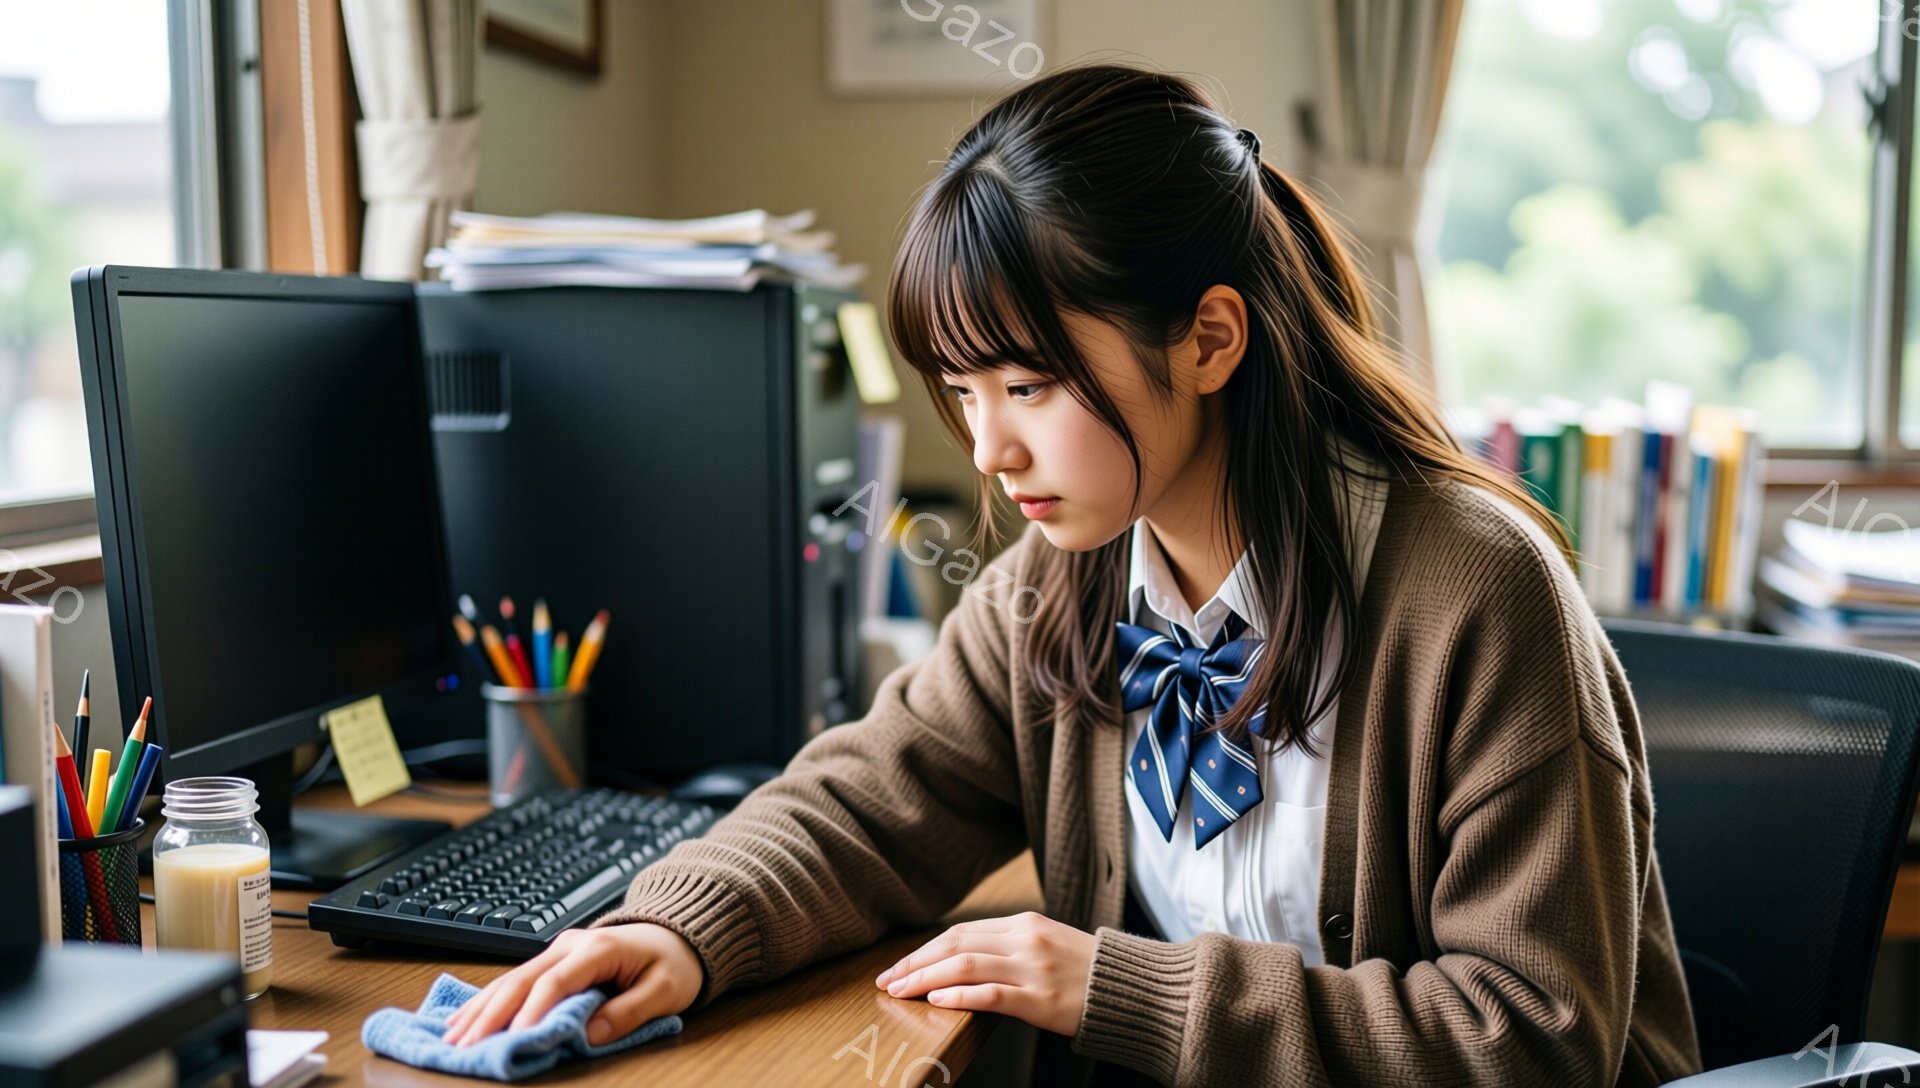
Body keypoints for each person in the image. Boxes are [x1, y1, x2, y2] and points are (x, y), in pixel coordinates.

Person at [442, 61, 1703, 1086]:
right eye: (963, 392)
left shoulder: (1477, 594)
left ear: (1209, 338)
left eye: (1028, 385)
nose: (989, 450)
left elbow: (1530, 1035)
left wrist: (1114, 986)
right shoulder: (1064, 580)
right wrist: (678, 927)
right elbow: (869, 801)